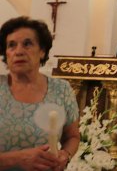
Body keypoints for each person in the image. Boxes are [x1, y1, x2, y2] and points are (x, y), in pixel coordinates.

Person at [0, 16, 79, 171]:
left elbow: (72, 136)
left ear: (42, 51)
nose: (19, 51)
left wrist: (66, 154)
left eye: (27, 44)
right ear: (6, 54)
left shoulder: (61, 90)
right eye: (11, 45)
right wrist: (17, 159)